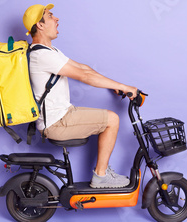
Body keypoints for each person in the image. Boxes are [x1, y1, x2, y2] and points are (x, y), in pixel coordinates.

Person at [23, 4, 137, 188]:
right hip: (57, 122)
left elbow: (84, 69)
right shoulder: (42, 55)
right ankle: (101, 176)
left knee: (110, 118)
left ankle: (102, 174)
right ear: (41, 25)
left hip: (64, 114)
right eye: (51, 15)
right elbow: (84, 77)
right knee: (113, 119)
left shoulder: (50, 51)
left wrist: (117, 86)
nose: (57, 19)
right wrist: (124, 86)